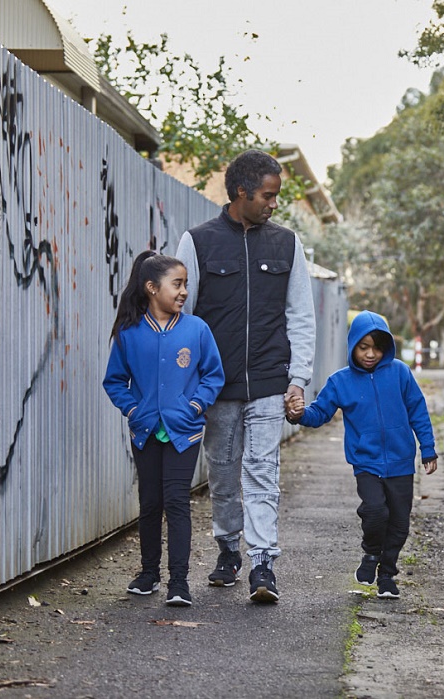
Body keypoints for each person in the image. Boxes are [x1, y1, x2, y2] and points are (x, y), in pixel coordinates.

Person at [175, 149, 315, 604]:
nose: (274, 204)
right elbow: (183, 316)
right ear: (241, 192)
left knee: (261, 471)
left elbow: (301, 316)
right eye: (268, 195)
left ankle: (263, 564)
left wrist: (299, 379)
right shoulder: (196, 243)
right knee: (221, 472)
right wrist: (188, 380)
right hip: (218, 386)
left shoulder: (287, 244)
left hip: (271, 381)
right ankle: (227, 550)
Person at [284, 311, 437, 600]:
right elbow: (320, 413)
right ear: (352, 345)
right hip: (366, 462)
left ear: (386, 347)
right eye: (363, 347)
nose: (370, 354)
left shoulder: (400, 373)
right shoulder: (340, 381)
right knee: (375, 511)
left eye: (377, 347)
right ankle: (370, 554)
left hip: (402, 461)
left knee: (400, 523)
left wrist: (427, 448)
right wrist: (299, 414)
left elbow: (418, 411)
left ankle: (388, 575)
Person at [103, 251, 225, 607]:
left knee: (176, 502)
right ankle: (148, 574)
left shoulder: (196, 330)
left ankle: (179, 582)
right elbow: (114, 381)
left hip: (183, 432)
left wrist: (195, 405)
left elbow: (213, 374)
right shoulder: (129, 333)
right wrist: (133, 408)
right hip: (145, 431)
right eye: (177, 284)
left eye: (186, 284)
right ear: (152, 288)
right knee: (150, 502)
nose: (184, 291)